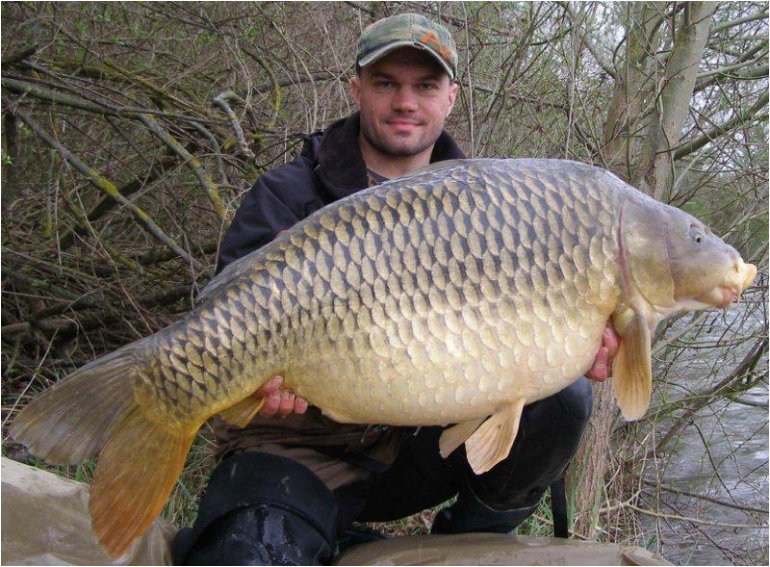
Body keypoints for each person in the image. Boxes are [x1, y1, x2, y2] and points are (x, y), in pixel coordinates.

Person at [173, 13, 618, 566]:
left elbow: (525, 328)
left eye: (425, 85)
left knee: (566, 398)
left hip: (415, 446)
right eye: (386, 83)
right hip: (298, 451)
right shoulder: (287, 195)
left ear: (451, 97)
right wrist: (262, 386)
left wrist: (577, 342)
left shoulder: (498, 207)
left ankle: (467, 544)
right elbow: (225, 326)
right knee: (248, 554)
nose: (405, 101)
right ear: (356, 89)